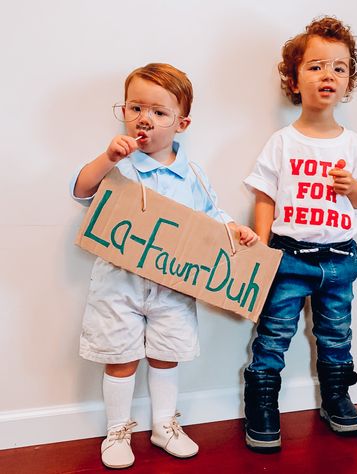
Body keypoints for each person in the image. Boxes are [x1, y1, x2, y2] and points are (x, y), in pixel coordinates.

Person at [71, 63, 258, 469]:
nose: (145, 119)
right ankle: (118, 428)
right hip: (118, 284)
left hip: (172, 285)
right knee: (119, 356)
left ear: (181, 123)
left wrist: (235, 231)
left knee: (165, 354)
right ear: (123, 111)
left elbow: (212, 214)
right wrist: (107, 157)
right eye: (136, 108)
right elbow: (82, 190)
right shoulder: (119, 165)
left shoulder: (191, 173)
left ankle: (163, 424)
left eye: (158, 112)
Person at [243, 16, 357, 451]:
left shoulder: (354, 144)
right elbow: (264, 196)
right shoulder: (282, 142)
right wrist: (263, 247)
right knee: (273, 333)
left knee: (336, 334)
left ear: (348, 82)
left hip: (339, 258)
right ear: (294, 79)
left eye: (339, 68)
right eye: (317, 66)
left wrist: (354, 188)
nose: (329, 75)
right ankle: (263, 404)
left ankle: (336, 396)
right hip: (288, 257)